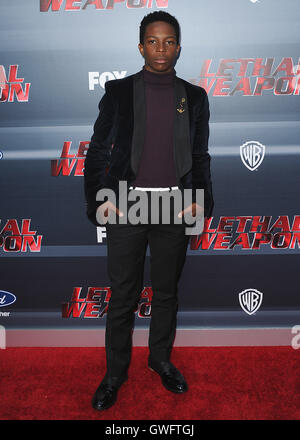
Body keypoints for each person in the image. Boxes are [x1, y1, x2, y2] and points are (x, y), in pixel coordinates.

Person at [84, 11, 213, 411]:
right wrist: (101, 199)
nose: (161, 48)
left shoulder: (194, 98)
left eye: (169, 41)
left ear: (179, 46)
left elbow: (199, 155)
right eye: (153, 41)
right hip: (127, 203)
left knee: (167, 293)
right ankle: (115, 374)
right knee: (122, 295)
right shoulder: (120, 91)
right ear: (141, 46)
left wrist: (200, 201)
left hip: (175, 205)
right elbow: (98, 152)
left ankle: (160, 360)